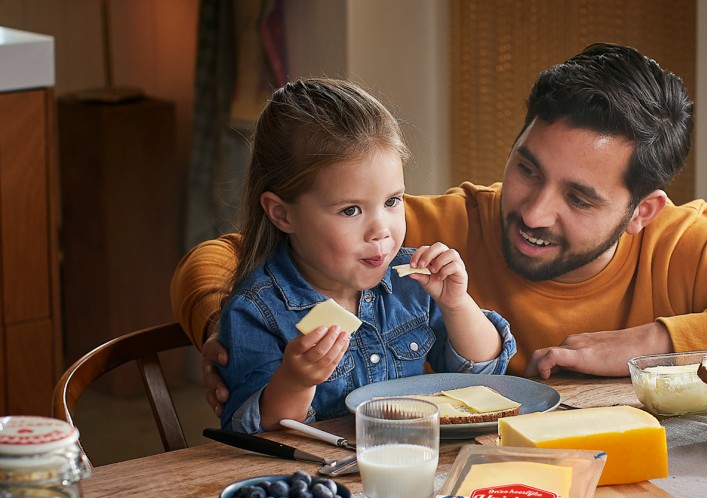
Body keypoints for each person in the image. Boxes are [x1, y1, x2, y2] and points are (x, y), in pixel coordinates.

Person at [172, 43, 707, 418]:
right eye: (527, 167)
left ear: (642, 211)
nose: (531, 210)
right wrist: (228, 337)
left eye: (579, 197)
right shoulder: (435, 229)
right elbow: (219, 256)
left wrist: (655, 341)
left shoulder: (680, 248)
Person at [216, 79, 514, 433]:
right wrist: (294, 382)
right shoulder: (258, 311)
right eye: (351, 210)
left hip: (409, 463)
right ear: (283, 214)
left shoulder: (411, 283)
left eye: (391, 202)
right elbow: (249, 433)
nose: (381, 231)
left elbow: (483, 374)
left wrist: (457, 304)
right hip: (319, 480)